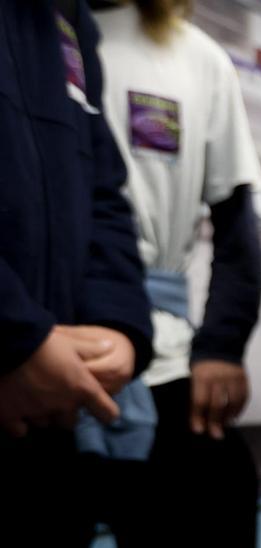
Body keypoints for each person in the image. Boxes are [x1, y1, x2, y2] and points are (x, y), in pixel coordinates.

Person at [91, 0, 261, 543]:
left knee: (220, 485)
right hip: (41, 354)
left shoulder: (196, 58)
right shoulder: (37, 35)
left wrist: (221, 346)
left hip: (162, 359)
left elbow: (237, 226)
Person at [0, 0, 154, 544]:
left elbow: (103, 193)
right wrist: (17, 340)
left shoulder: (67, 16)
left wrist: (117, 328)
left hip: (52, 415)